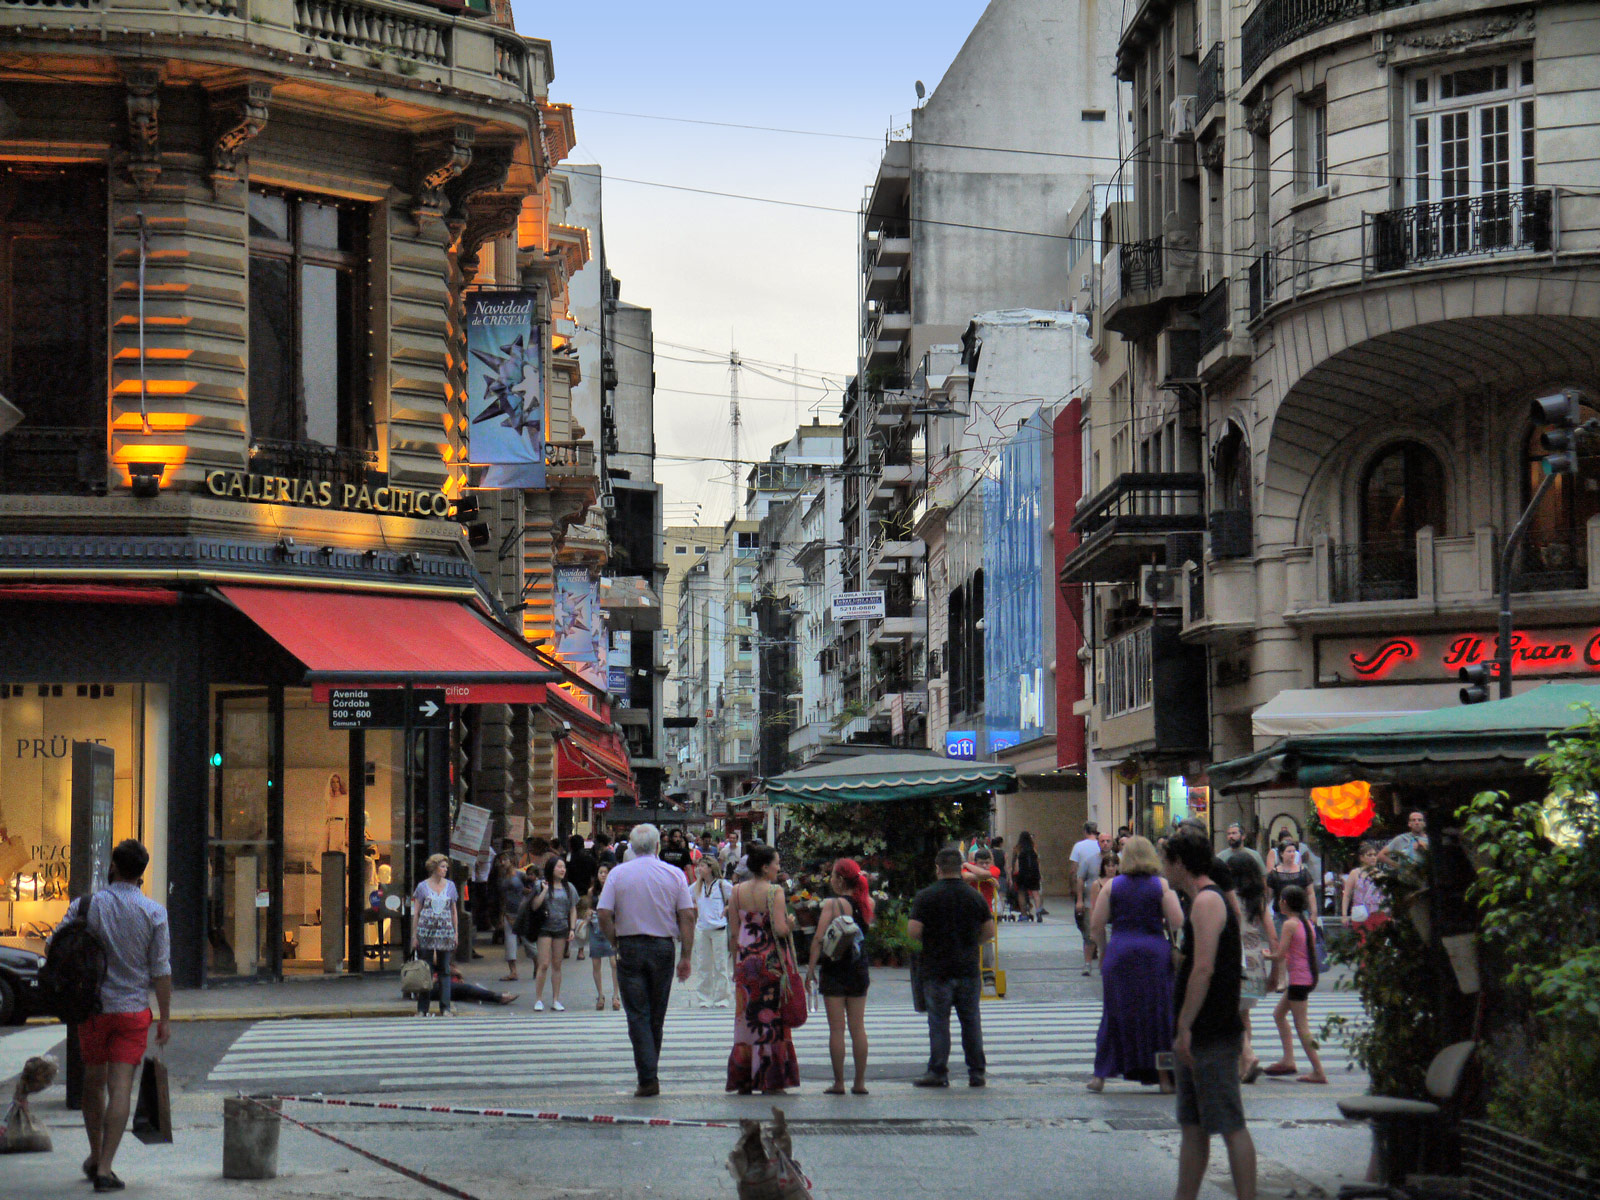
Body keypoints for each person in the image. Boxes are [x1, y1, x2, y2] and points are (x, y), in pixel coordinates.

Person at [54, 839, 171, 1194]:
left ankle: (93, 1154)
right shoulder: (154, 912)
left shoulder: (86, 906)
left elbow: (54, 943)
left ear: (114, 867)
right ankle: (106, 1167)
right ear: (141, 873)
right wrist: (165, 1017)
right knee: (121, 1088)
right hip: (134, 1011)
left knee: (93, 1082)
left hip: (93, 1009)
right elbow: (161, 969)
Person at [1163, 826, 1256, 1200]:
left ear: (1180, 863)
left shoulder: (1206, 901)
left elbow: (1204, 968)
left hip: (1211, 1029)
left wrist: (1185, 1024)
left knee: (1229, 1123)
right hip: (1203, 1028)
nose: (1162, 869)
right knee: (1194, 1125)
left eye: (1166, 860)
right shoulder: (1200, 901)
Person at [596, 824, 696, 1097]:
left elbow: (603, 913)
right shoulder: (674, 874)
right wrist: (686, 956)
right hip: (663, 948)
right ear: (657, 846)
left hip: (629, 947)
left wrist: (615, 940)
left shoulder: (618, 874)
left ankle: (648, 1077)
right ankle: (650, 1073)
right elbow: (687, 915)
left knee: (637, 1013)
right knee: (656, 1013)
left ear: (630, 846)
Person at [1088, 836, 1183, 1093]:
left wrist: (1104, 951)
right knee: (1159, 1018)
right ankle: (1164, 1078)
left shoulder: (1112, 886)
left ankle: (1100, 1076)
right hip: (1154, 954)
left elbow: (1096, 925)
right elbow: (1177, 920)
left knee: (1115, 1014)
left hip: (1120, 953)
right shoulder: (1161, 885)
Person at [909, 845, 995, 1089]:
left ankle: (938, 1071)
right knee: (971, 1021)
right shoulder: (974, 896)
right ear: (961, 868)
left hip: (936, 969)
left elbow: (914, 931)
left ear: (938, 869)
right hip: (967, 967)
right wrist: (969, 942)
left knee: (939, 1022)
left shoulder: (925, 896)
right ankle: (976, 1072)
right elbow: (988, 931)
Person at [725, 843, 801, 1095]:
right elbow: (779, 930)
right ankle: (770, 1077)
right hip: (770, 963)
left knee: (746, 1020)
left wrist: (736, 962)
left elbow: (734, 932)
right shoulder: (775, 891)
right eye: (777, 863)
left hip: (746, 962)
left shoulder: (735, 892)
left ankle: (744, 1077)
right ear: (766, 867)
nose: (779, 867)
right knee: (770, 1019)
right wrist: (790, 923)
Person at [805, 858, 873, 1095]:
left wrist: (811, 969)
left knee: (836, 1029)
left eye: (832, 875)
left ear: (841, 880)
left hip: (834, 970)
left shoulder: (833, 905)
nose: (830, 879)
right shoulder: (868, 903)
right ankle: (860, 1083)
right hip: (859, 969)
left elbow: (818, 938)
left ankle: (839, 1083)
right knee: (858, 1028)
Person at [1263, 884, 1327, 1084]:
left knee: (1302, 1027)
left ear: (1285, 903)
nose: (1279, 902)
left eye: (1281, 899)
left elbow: (1280, 954)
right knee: (1278, 1014)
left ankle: (1318, 1071)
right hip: (1304, 978)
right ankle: (1288, 1059)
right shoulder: (1306, 922)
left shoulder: (1290, 924)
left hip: (1299, 980)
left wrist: (1264, 955)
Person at [1230, 854, 1277, 1083]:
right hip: (1255, 959)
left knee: (1231, 1012)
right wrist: (1277, 966)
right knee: (1244, 1014)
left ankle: (1247, 1056)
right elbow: (1271, 932)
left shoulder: (1229, 897)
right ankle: (1243, 1065)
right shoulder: (1257, 899)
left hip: (1235, 957)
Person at [411, 853, 460, 1017]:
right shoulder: (422, 887)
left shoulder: (451, 886)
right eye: (443, 866)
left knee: (444, 970)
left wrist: (456, 933)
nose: (445, 870)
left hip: (445, 933)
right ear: (434, 867)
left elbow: (453, 911)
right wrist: (414, 935)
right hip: (426, 932)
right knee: (426, 970)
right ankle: (422, 1008)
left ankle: (445, 1007)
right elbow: (416, 912)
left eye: (446, 867)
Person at [531, 856, 578, 1012]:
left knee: (557, 965)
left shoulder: (569, 887)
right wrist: (544, 890)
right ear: (551, 869)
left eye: (564, 867)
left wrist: (572, 929)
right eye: (559, 867)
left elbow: (573, 909)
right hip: (544, 928)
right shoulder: (540, 885)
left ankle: (556, 999)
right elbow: (534, 906)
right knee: (543, 963)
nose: (562, 869)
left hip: (561, 928)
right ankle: (538, 999)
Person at [688, 855, 734, 1008]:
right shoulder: (696, 886)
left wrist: (727, 908)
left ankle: (722, 998)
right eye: (698, 866)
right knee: (703, 965)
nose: (699, 869)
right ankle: (704, 998)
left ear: (710, 868)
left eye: (702, 866)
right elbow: (685, 897)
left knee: (721, 965)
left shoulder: (722, 885)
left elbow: (735, 897)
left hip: (719, 929)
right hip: (702, 930)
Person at [586, 863, 620, 1010]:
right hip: (595, 928)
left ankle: (616, 995)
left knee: (614, 962)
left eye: (606, 872)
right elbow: (588, 907)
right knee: (596, 963)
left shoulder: (614, 890)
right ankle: (600, 995)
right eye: (600, 872)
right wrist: (588, 913)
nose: (603, 875)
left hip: (610, 928)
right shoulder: (592, 891)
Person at [1070, 822, 1102, 970]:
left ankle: (1090, 943)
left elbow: (1074, 869)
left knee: (1082, 919)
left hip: (1085, 888)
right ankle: (1093, 944)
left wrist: (1073, 889)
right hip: (1099, 886)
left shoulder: (1079, 846)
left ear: (1085, 831)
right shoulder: (1101, 846)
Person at [496, 852, 531, 982]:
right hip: (508, 911)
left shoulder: (520, 874)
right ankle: (513, 971)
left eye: (505, 859)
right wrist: (501, 915)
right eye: (501, 860)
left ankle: (538, 965)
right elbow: (502, 897)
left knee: (528, 942)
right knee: (510, 943)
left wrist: (527, 894)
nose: (502, 863)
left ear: (511, 860)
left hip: (522, 911)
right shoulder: (501, 876)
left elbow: (532, 886)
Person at [1265, 839, 1314, 927]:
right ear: (1281, 854)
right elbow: (1269, 895)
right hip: (1280, 915)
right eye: (1289, 851)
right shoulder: (1274, 874)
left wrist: (1314, 912)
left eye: (1293, 851)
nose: (1292, 854)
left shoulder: (1303, 872)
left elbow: (1310, 893)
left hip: (1300, 913)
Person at [1341, 842, 1388, 929]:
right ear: (1362, 858)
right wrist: (1344, 915)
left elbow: (1385, 896)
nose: (1373, 858)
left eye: (1375, 855)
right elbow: (1347, 895)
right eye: (1369, 855)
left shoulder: (1380, 874)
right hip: (1361, 913)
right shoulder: (1355, 873)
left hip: (1377, 913)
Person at [1011, 830, 1042, 922]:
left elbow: (1016, 863)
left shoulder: (1017, 848)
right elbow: (1037, 861)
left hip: (1022, 873)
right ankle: (1038, 912)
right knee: (1036, 893)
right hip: (1034, 873)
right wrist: (1040, 873)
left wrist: (1014, 874)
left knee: (1021, 893)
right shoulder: (1033, 847)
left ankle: (1024, 914)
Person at [565, 834, 597, 899]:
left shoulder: (568, 859)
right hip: (586, 891)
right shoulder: (590, 858)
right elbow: (593, 876)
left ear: (571, 845)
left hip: (572, 891)